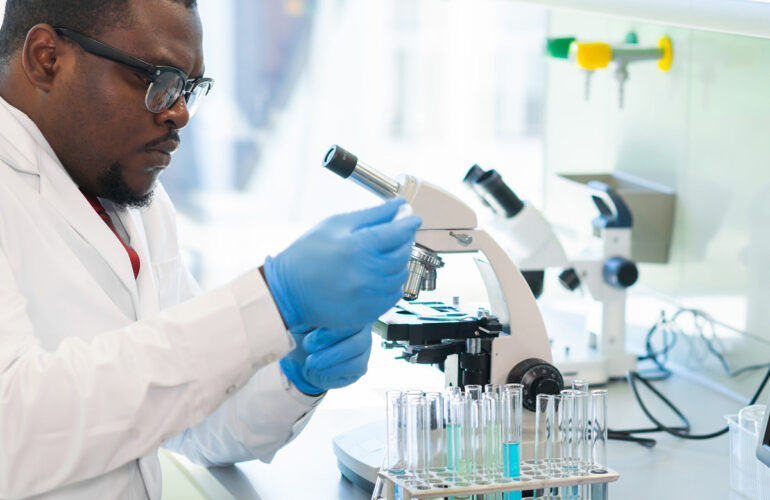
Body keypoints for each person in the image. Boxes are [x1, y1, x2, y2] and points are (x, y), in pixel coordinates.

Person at [0, 0, 422, 498]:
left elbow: (189, 415)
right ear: (47, 58)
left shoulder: (133, 202)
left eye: (188, 88)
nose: (179, 113)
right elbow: (15, 432)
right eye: (158, 79)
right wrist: (270, 299)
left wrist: (294, 373)